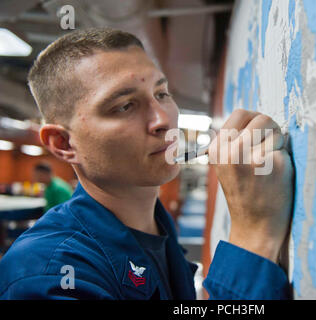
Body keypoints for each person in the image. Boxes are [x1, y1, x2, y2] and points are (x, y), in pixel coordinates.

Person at [0, 28, 294, 299]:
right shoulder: (46, 274)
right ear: (63, 144)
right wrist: (252, 238)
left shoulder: (155, 229)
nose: (163, 120)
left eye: (161, 94)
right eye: (125, 106)